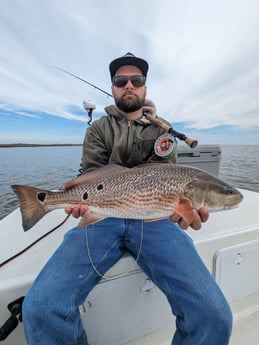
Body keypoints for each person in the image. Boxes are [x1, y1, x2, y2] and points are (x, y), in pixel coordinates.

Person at [22, 52, 232, 345]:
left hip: (154, 218)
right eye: (121, 80)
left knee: (214, 315)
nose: (129, 85)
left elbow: (168, 178)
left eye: (137, 80)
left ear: (145, 87)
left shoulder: (164, 130)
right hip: (101, 218)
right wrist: (78, 201)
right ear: (113, 88)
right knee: (40, 309)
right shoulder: (98, 128)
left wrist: (180, 212)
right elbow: (94, 176)